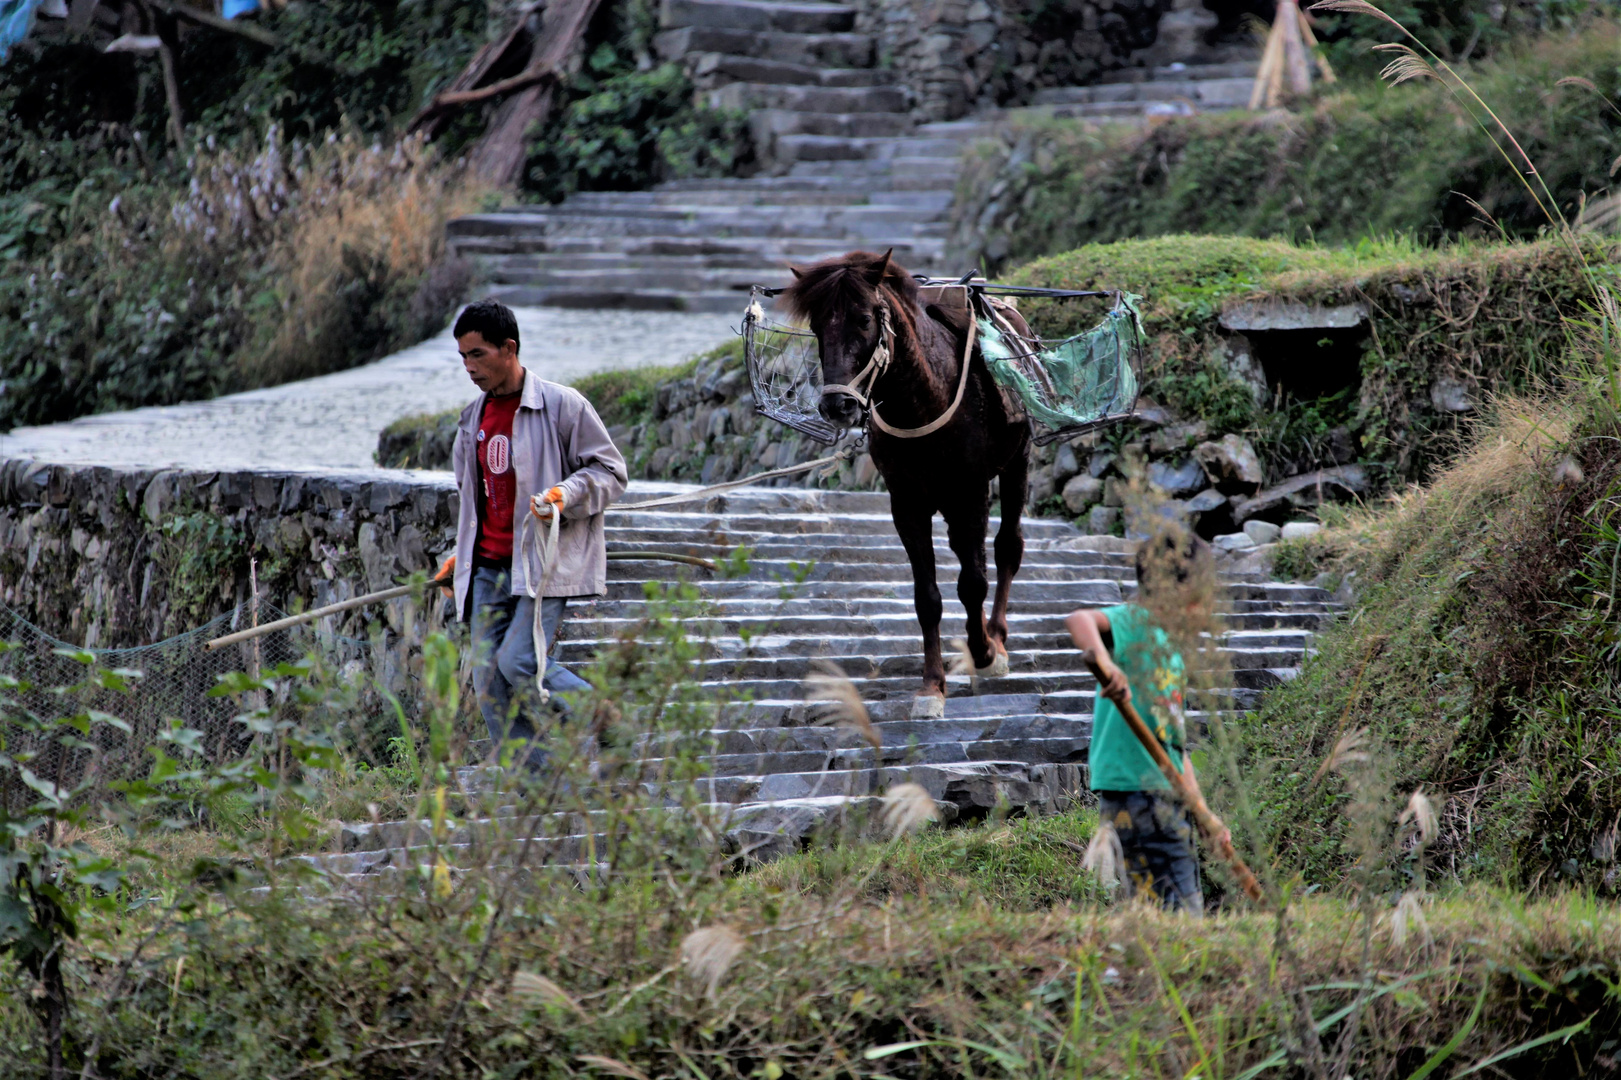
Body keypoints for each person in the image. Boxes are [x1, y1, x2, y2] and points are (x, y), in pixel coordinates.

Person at [431, 300, 627, 767]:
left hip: (541, 564)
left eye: (477, 354)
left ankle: (604, 719)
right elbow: (473, 499)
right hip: (487, 569)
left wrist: (565, 493)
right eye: (462, 357)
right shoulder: (470, 419)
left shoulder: (562, 405)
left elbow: (610, 472)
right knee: (487, 682)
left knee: (518, 662)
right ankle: (536, 785)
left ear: (509, 348)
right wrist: (463, 555)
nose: (469, 367)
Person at [1063, 531, 1215, 913]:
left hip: (1164, 795)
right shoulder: (1136, 623)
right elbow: (1079, 620)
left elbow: (1173, 748)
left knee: (1155, 908)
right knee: (1182, 911)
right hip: (1139, 793)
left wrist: (1205, 815)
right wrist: (1106, 664)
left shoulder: (1171, 655)